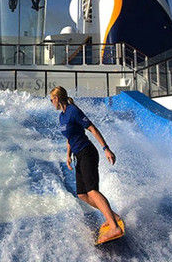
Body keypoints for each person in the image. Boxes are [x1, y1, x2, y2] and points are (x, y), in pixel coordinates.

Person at [49, 86, 123, 243]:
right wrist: (68, 156)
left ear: (57, 98)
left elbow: (92, 128)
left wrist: (106, 149)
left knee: (92, 191)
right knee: (82, 194)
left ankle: (114, 226)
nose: (51, 103)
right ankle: (113, 216)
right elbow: (70, 138)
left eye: (51, 100)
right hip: (78, 156)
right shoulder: (62, 117)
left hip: (87, 152)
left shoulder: (73, 111)